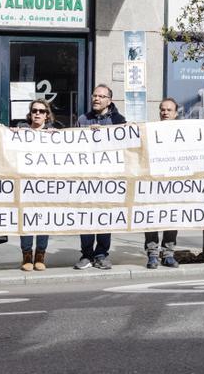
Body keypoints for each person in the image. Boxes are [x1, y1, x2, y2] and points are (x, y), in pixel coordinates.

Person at [74, 84, 126, 270]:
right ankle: (86, 254)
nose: (96, 99)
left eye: (101, 96)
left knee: (104, 216)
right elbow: (74, 147)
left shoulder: (119, 120)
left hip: (108, 178)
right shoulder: (83, 119)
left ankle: (102, 254)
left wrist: (104, 135)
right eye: (94, 95)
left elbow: (123, 148)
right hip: (87, 177)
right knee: (86, 217)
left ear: (109, 101)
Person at [17, 98, 55, 272]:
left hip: (46, 184)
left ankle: (40, 254)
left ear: (47, 115)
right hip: (26, 183)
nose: (37, 114)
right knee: (26, 219)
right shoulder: (21, 131)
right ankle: (26, 255)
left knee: (43, 219)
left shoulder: (54, 134)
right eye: (34, 111)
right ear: (30, 114)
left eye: (41, 111)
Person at [145, 98, 181, 269]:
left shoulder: (184, 133)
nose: (165, 112)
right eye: (162, 109)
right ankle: (152, 254)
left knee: (171, 218)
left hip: (174, 183)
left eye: (169, 110)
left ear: (176, 113)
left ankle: (168, 254)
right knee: (151, 218)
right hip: (154, 182)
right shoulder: (150, 130)